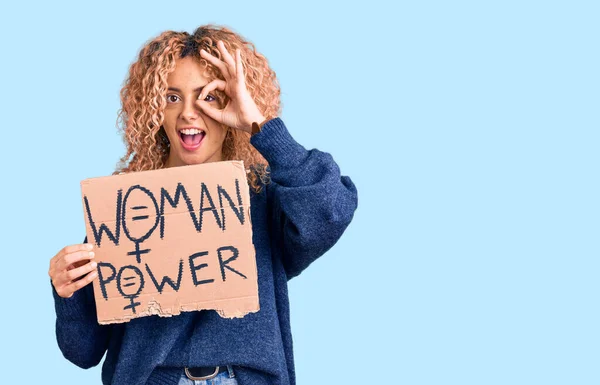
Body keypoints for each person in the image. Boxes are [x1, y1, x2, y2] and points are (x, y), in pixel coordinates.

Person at [48, 24, 358, 385]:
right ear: (153, 110)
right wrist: (67, 292)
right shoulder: (126, 209)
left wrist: (258, 125)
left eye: (209, 97)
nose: (189, 114)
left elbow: (330, 210)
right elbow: (82, 351)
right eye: (172, 96)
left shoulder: (266, 199)